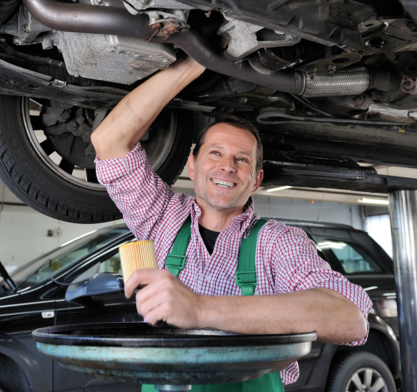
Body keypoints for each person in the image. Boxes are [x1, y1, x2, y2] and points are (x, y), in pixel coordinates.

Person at [91, 57, 373, 391]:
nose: (227, 166)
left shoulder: (278, 242)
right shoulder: (161, 217)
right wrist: (194, 61)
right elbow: (109, 140)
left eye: (241, 159)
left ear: (256, 180)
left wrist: (200, 309)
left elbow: (350, 318)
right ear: (192, 165)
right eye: (215, 153)